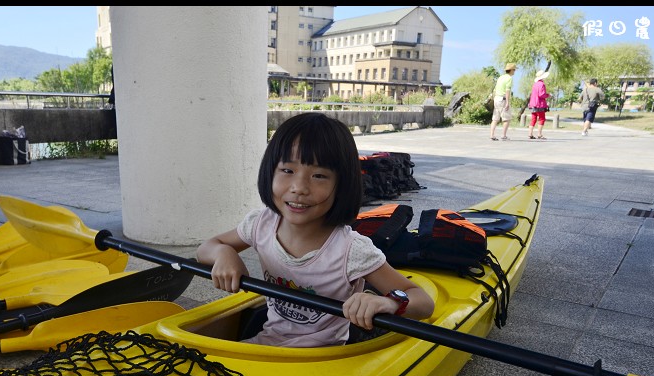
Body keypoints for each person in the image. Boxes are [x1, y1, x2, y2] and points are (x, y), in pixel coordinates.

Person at [196, 113, 435, 347]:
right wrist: (224, 254)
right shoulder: (261, 224)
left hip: (322, 360)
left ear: (342, 185)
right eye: (287, 171)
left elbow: (422, 302)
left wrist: (390, 303)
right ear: (270, 172)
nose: (299, 188)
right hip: (267, 342)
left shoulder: (351, 251)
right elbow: (207, 247)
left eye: (319, 175)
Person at [489, 63, 517, 141]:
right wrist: (507, 102)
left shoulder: (500, 77)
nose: (514, 71)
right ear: (511, 70)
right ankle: (504, 135)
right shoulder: (509, 78)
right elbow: (507, 91)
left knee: (495, 118)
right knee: (506, 118)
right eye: (514, 70)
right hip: (503, 99)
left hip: (496, 98)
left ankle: (492, 135)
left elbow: (495, 89)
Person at [527, 69, 551, 140]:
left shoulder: (535, 84)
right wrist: (548, 95)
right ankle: (539, 134)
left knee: (533, 119)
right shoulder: (542, 84)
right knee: (542, 119)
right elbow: (541, 94)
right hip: (539, 104)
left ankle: (530, 133)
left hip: (533, 103)